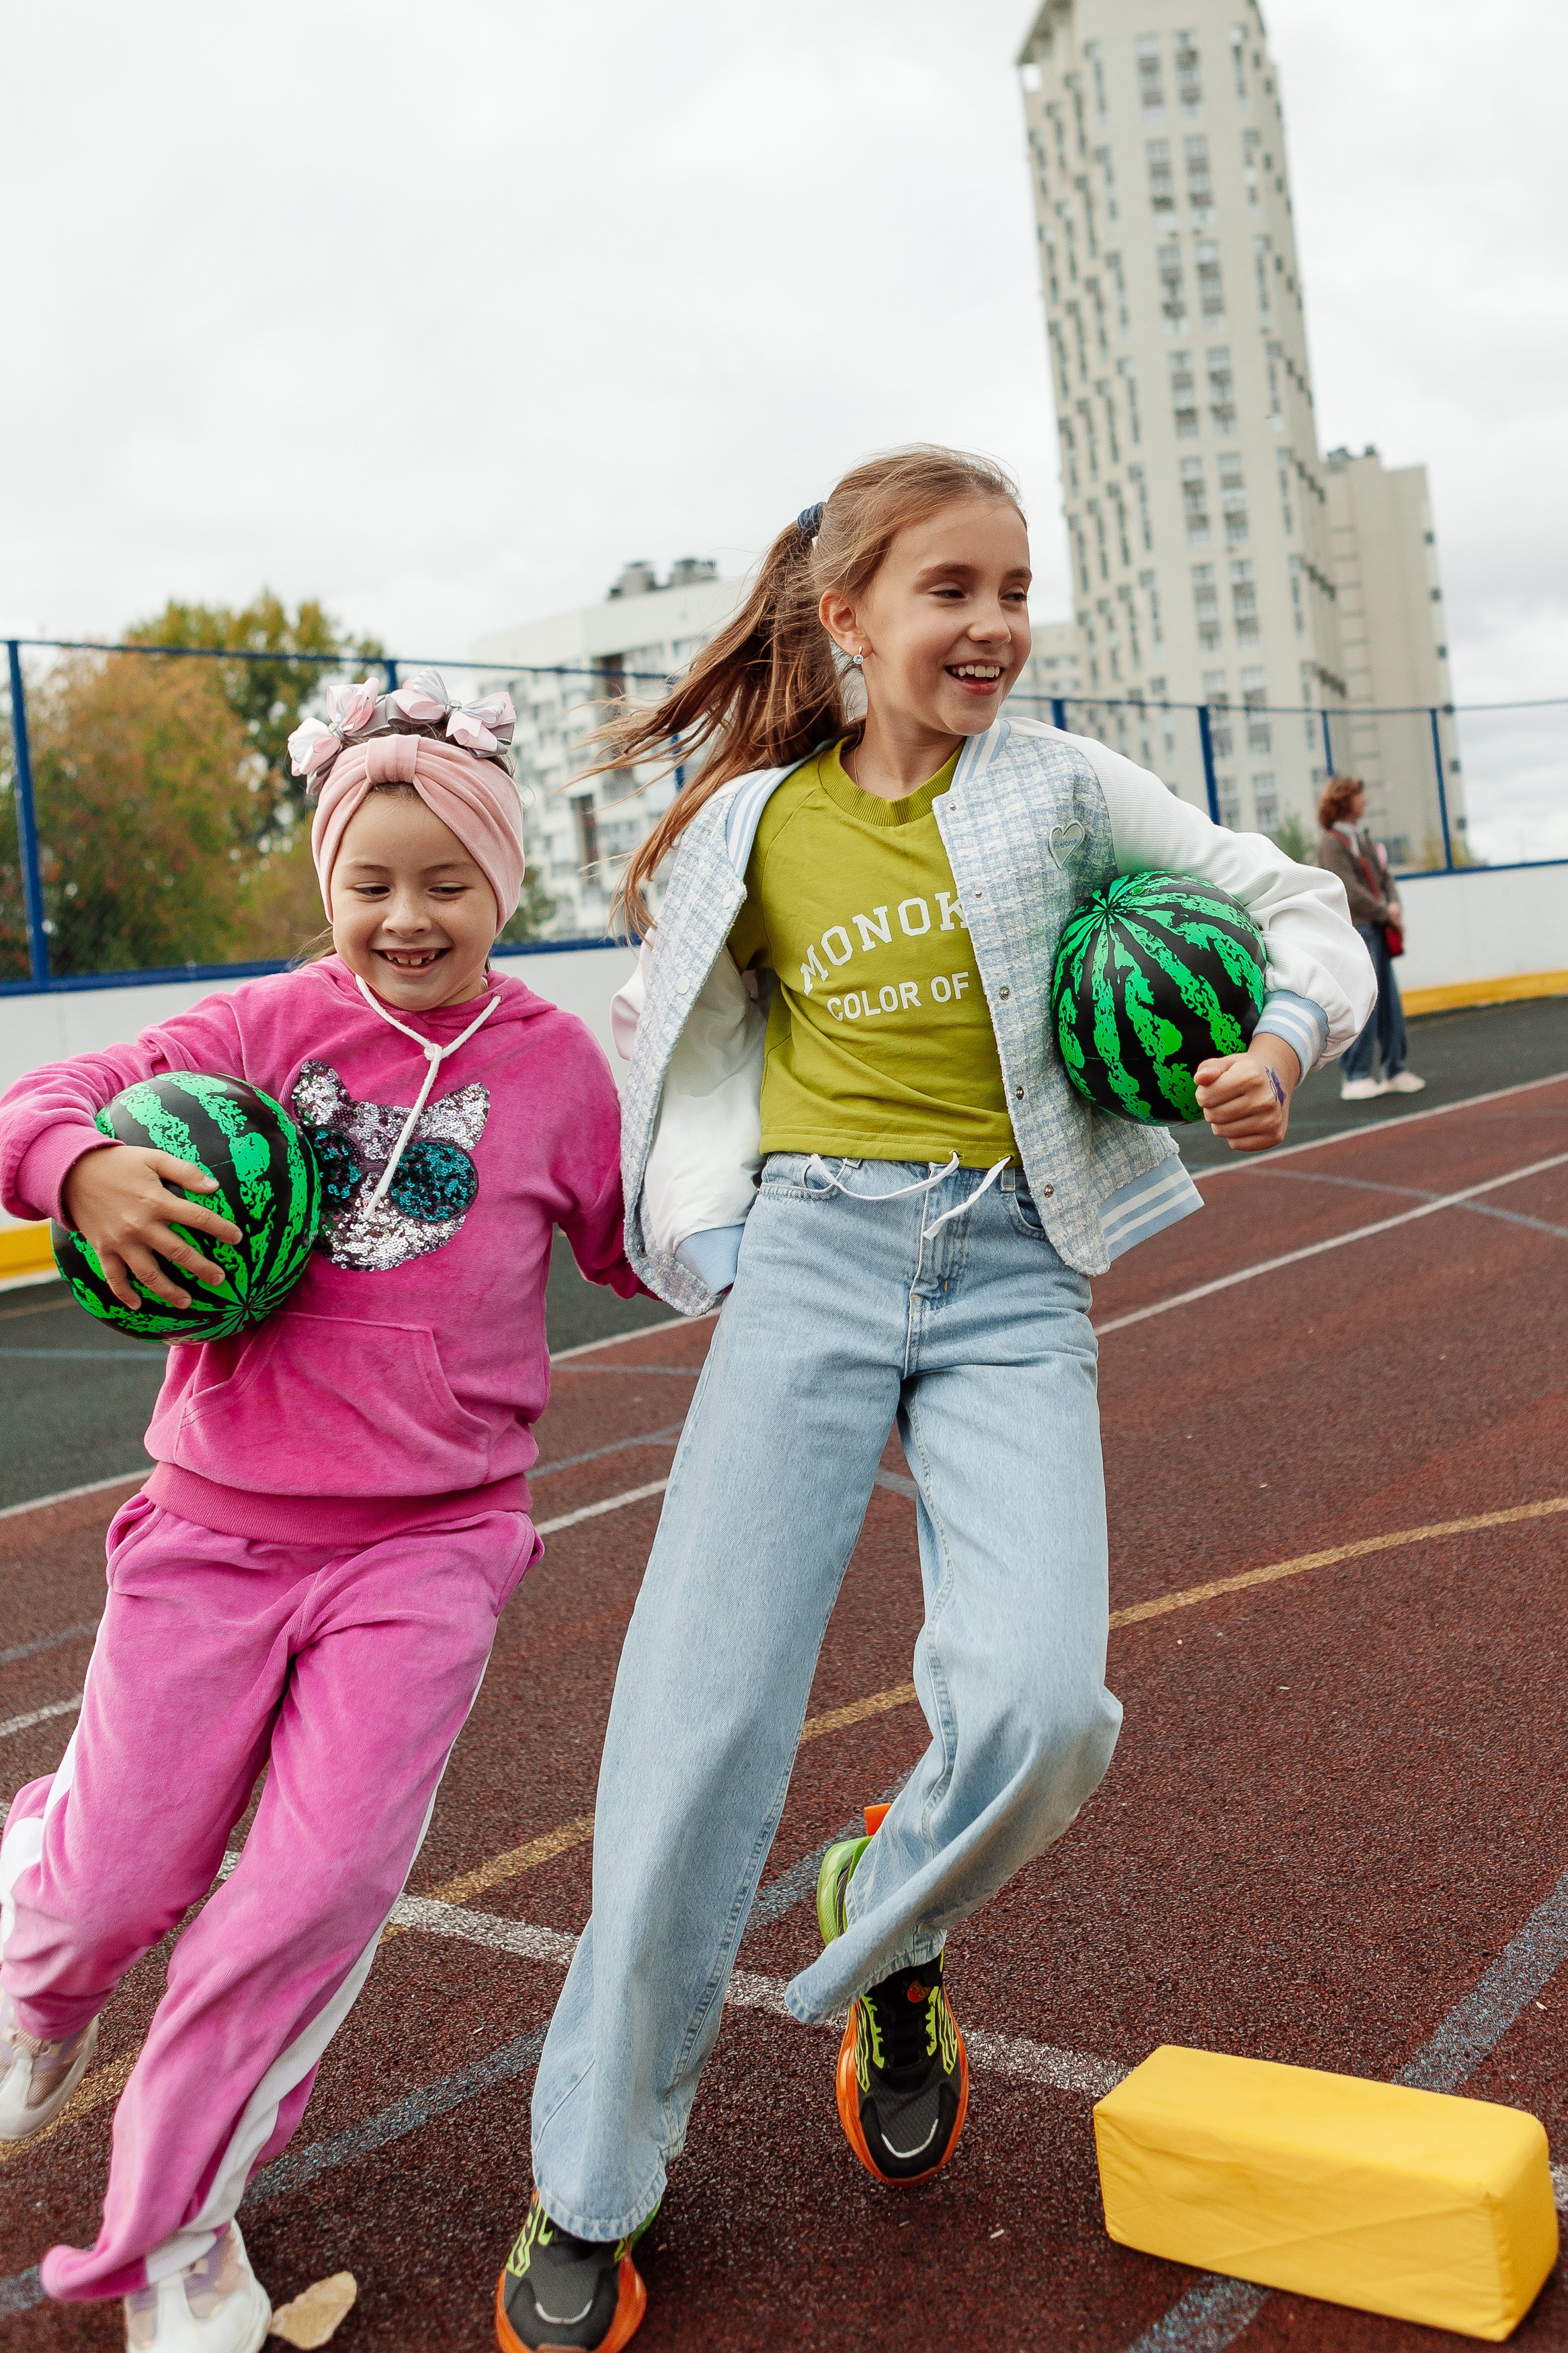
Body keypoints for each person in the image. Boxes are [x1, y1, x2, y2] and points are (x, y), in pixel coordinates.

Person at [493, 448, 1376, 2353]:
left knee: (1046, 1708)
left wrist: (1283, 1035)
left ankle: (884, 1910)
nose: (991, 627)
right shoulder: (750, 827)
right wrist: (715, 1240)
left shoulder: (1064, 789)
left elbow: (1292, 901)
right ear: (847, 617)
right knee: (690, 1736)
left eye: (1013, 590)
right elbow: (668, 1045)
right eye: (949, 591)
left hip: (1010, 1270)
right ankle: (590, 2182)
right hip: (809, 1259)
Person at [0, 672, 640, 2352]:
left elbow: (641, 1245)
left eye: (447, 881)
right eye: (370, 882)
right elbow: (32, 1109)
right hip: (211, 1535)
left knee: (313, 1895)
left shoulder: (560, 1071)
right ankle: (38, 1956)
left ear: (504, 884)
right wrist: (79, 1170)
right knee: (113, 1877)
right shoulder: (259, 1030)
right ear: (327, 885)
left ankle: (183, 2226)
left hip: (432, 1548)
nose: (406, 916)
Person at [1315, 774, 1424, 1101]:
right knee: (1364, 1003)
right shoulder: (1331, 844)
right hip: (1358, 930)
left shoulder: (1362, 837)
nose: (1364, 801)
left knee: (1389, 1002)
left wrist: (1394, 905)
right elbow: (1347, 889)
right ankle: (1356, 1074)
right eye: (1359, 795)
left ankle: (1395, 1069)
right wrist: (1384, 911)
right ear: (1343, 800)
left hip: (1376, 926)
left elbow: (1384, 876)